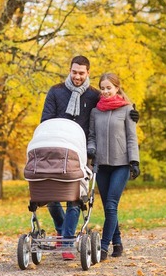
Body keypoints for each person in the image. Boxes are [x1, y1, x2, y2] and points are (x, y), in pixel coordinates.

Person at [40, 56, 139, 260]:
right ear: (69, 70)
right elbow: (46, 120)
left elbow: (115, 104)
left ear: (87, 73)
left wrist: (134, 116)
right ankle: (62, 230)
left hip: (82, 155)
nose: (77, 76)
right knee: (51, 198)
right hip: (59, 151)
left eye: (81, 73)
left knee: (78, 198)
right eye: (74, 72)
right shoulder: (56, 91)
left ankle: (72, 241)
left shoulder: (94, 95)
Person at [87, 72, 140, 261]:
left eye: (109, 87)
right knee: (109, 207)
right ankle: (117, 242)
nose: (105, 91)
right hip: (101, 165)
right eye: (102, 88)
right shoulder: (95, 111)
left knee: (111, 205)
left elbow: (132, 137)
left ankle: (103, 246)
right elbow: (91, 136)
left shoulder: (127, 110)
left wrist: (134, 161)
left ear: (117, 88)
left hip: (121, 164)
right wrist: (91, 149)